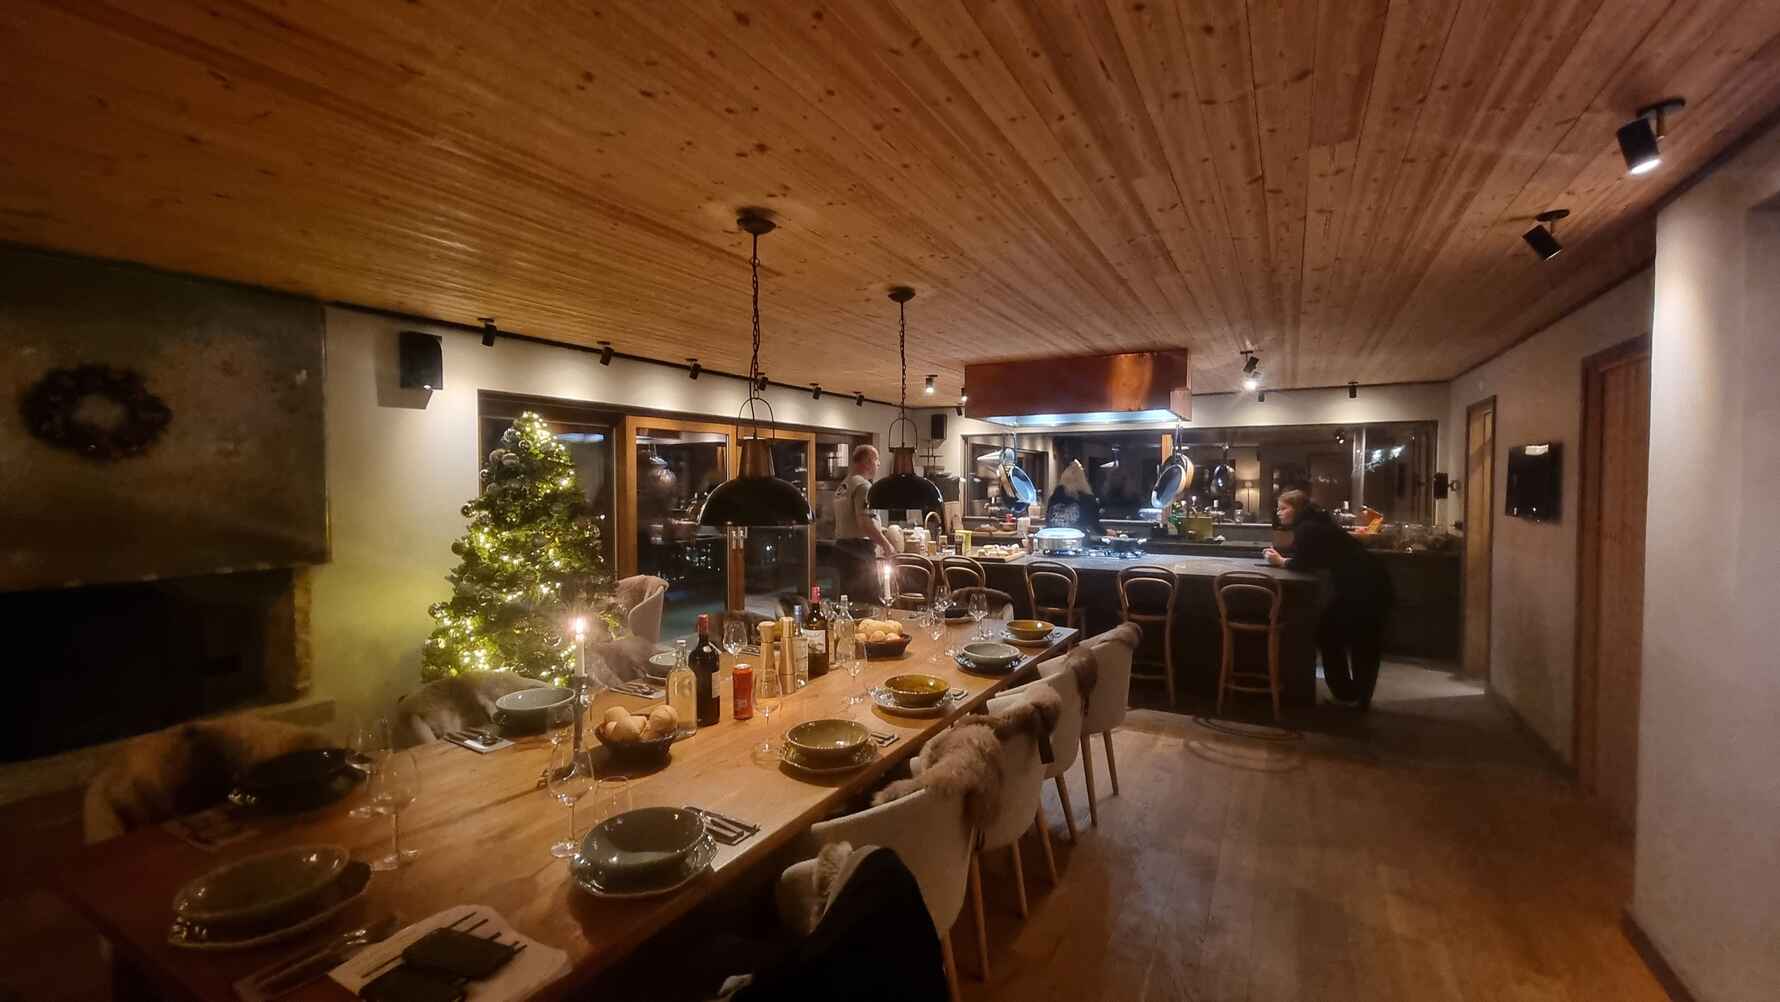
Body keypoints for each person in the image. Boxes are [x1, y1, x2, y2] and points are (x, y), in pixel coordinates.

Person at [1263, 489, 1393, 709]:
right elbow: (1312, 557)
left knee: (1333, 633)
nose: (1279, 512)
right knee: (1362, 641)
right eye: (1278, 508)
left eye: (1284, 508)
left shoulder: (1307, 528)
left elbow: (1302, 562)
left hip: (1363, 587)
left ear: (1298, 509)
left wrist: (1280, 561)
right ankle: (1357, 697)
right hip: (1372, 583)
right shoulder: (1316, 523)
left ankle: (1349, 696)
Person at [833, 444, 892, 597]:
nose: (878, 465)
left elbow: (849, 520)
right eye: (876, 460)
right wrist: (886, 544)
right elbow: (865, 523)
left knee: (848, 599)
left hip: (841, 549)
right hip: (859, 551)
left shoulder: (843, 486)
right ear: (867, 462)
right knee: (868, 600)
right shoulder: (864, 486)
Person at [1044, 459, 1105, 537]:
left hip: (1054, 540)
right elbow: (1094, 525)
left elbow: (1048, 520)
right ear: (1083, 478)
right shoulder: (1087, 499)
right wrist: (1106, 533)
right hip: (1077, 541)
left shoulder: (1054, 497)